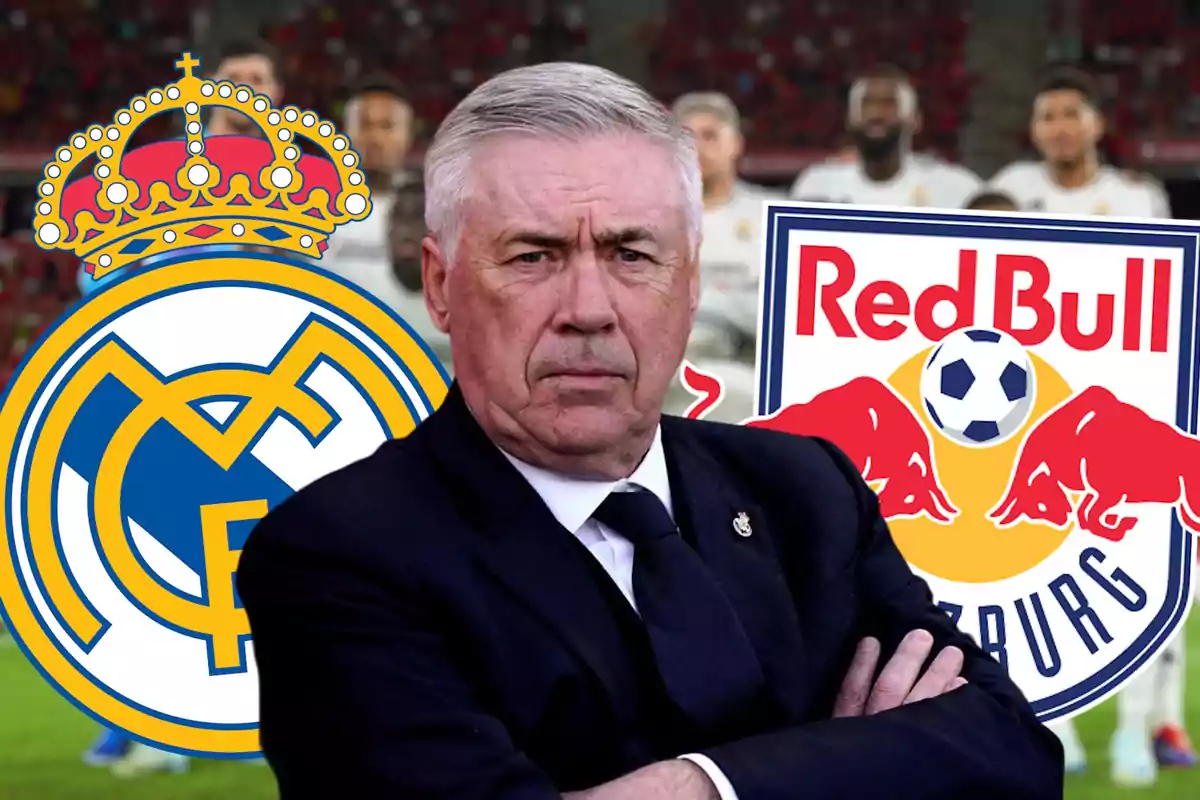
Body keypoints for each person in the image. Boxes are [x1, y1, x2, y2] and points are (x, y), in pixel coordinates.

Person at [237, 62, 1062, 799]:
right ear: (441, 284)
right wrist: (853, 761)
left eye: (633, 254)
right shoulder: (336, 553)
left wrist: (697, 786)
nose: (589, 310)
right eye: (533, 256)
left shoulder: (808, 492)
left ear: (691, 283)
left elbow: (1014, 756)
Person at [78, 37, 284, 778]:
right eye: (234, 83)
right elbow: (95, 281)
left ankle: (259, 722)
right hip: (171, 398)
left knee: (276, 568)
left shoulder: (302, 189)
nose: (246, 96)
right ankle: (145, 725)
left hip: (269, 408)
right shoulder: (154, 184)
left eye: (260, 84)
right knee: (155, 566)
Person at [989, 65, 1192, 787]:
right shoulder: (1013, 189)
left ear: (1097, 125)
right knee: (1037, 566)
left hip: (1128, 408)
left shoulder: (1135, 197)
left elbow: (1167, 291)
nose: (1060, 128)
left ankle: (1142, 728)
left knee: (1145, 570)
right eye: (1048, 116)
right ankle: (1058, 723)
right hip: (1036, 409)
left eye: (1072, 114)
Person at [319, 75, 451, 367]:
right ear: (345, 133)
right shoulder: (310, 211)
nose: (375, 138)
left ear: (408, 135)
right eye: (364, 125)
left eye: (388, 126)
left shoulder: (442, 212)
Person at [665, 92, 778, 423]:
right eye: (687, 137)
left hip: (747, 369)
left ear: (736, 144)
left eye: (710, 135)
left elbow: (780, 311)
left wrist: (704, 302)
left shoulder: (771, 214)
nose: (698, 148)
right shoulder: (641, 216)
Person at [790, 64, 980, 208]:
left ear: (915, 120)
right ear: (850, 118)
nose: (876, 114)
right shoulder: (817, 186)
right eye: (866, 104)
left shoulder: (955, 188)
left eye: (889, 104)